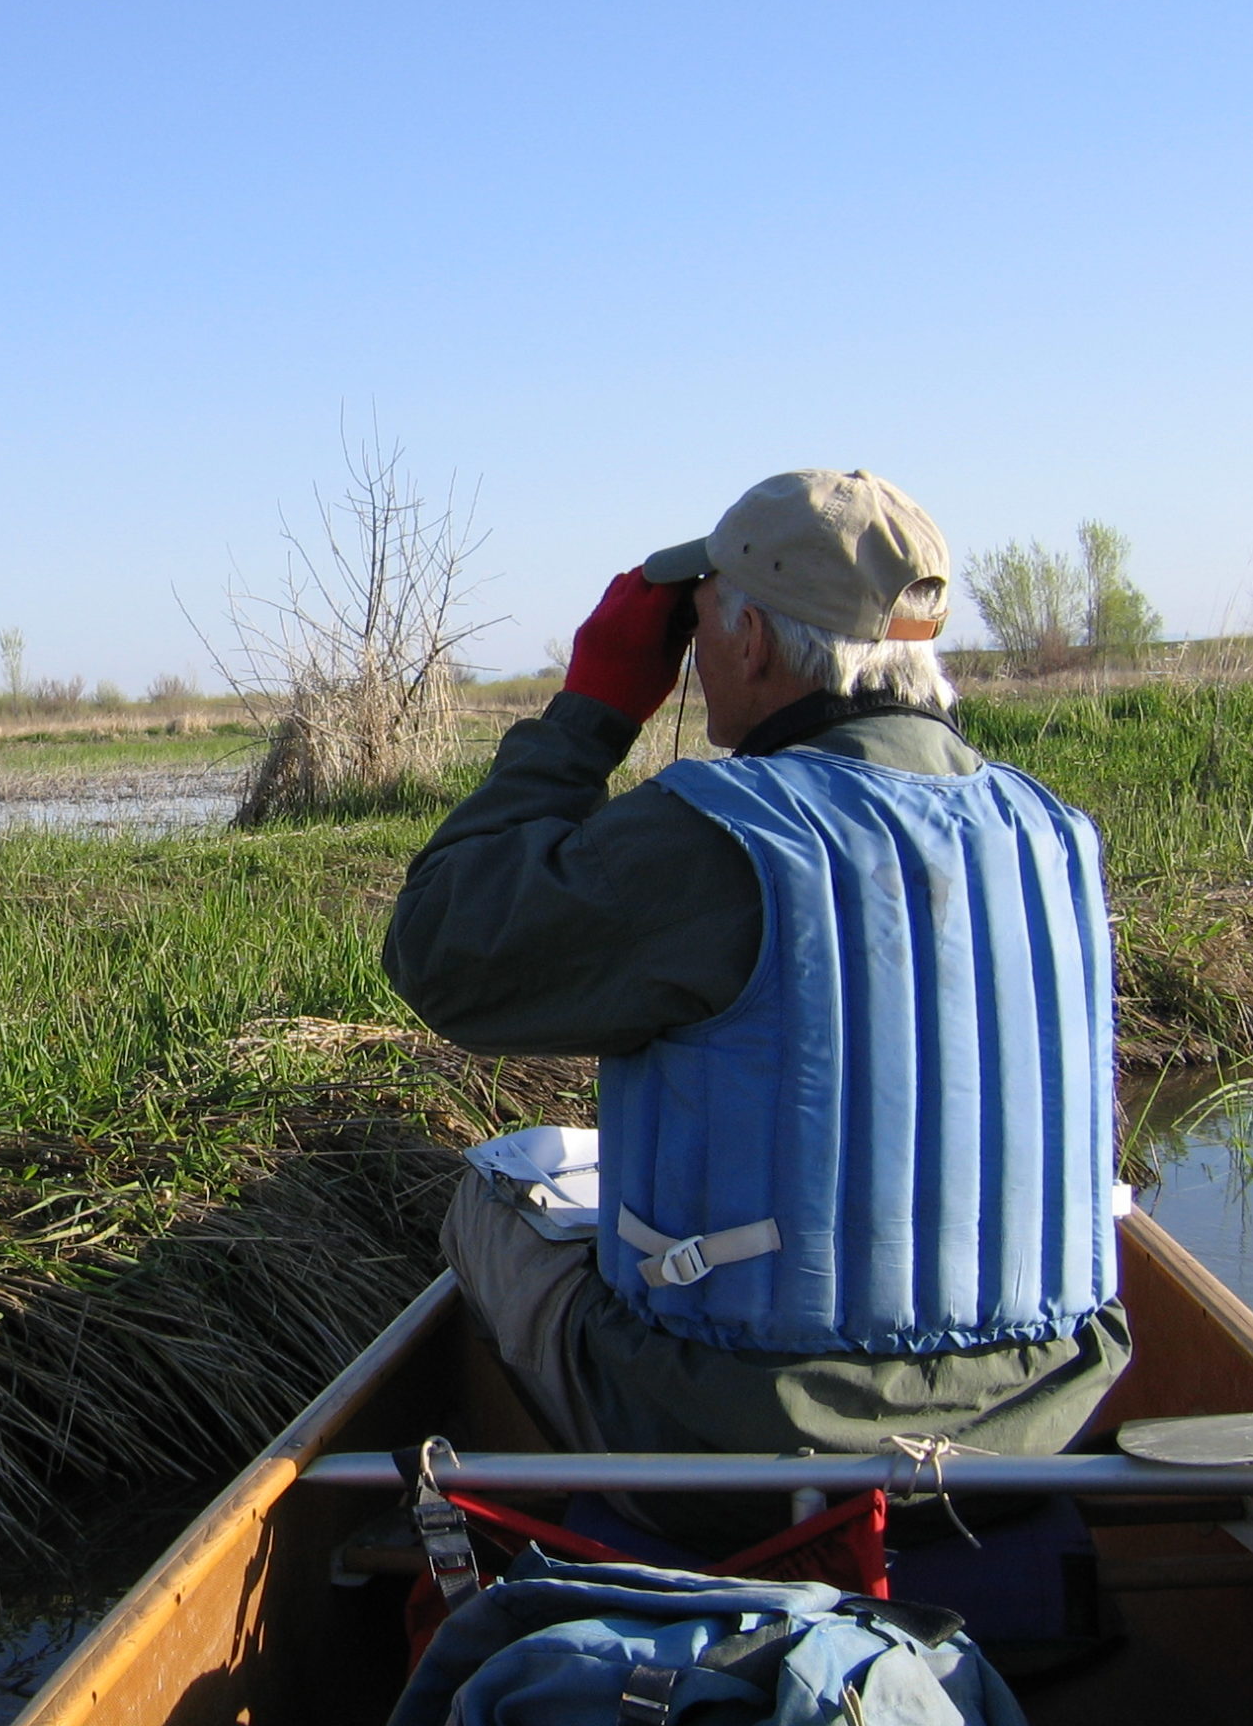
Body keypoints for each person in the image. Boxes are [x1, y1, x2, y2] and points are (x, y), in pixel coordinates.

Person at [383, 469, 1129, 1495]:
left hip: (740, 1448)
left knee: (487, 1199)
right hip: (1048, 1418)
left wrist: (591, 711)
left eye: (700, 626)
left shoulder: (719, 833)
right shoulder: (1051, 830)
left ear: (752, 644)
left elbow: (439, 948)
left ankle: (564, 1513)